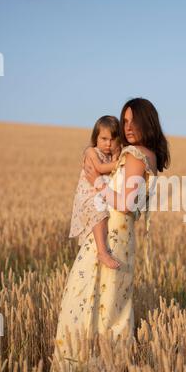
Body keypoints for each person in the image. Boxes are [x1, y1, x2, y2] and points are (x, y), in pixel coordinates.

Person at [49, 98, 170, 372]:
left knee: (83, 301)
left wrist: (98, 183)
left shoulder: (133, 155)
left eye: (133, 121)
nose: (127, 127)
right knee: (113, 308)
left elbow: (126, 204)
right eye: (124, 121)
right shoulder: (148, 155)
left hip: (111, 238)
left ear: (147, 121)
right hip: (124, 239)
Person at [68, 115, 123, 269]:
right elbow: (99, 169)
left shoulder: (110, 156)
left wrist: (117, 153)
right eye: (104, 139)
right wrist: (120, 162)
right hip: (88, 196)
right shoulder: (91, 152)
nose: (108, 144)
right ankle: (102, 252)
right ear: (95, 138)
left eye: (113, 140)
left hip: (100, 194)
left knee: (105, 216)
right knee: (100, 215)